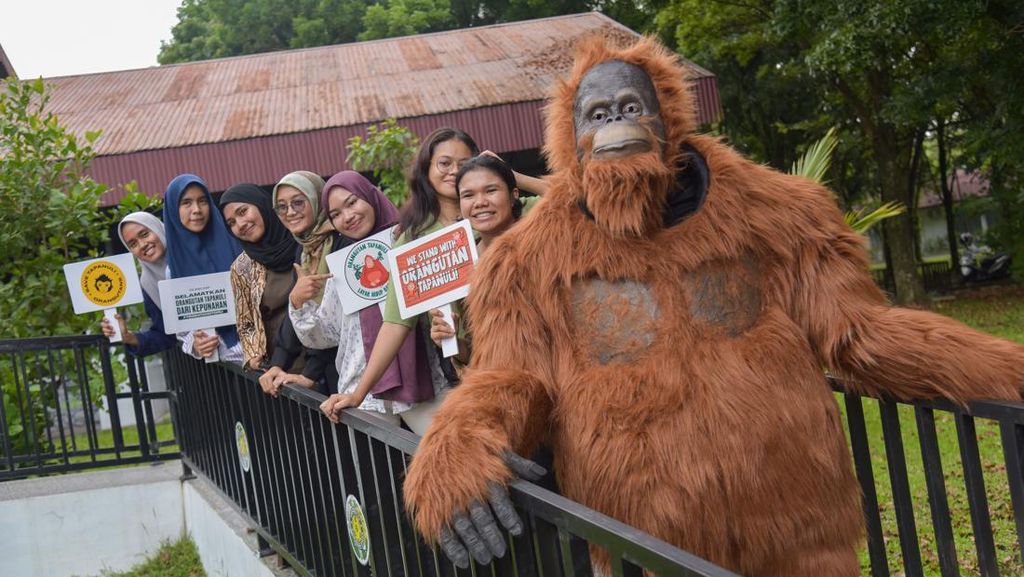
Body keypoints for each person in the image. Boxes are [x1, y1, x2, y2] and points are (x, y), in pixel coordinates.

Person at [290, 171, 445, 435]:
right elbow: (324, 335)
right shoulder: (341, 265)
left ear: (370, 196)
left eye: (352, 203)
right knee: (374, 475)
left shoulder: (410, 244)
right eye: (336, 214)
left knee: (450, 464)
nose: (347, 217)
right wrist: (298, 302)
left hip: (422, 382)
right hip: (362, 393)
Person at [426, 154, 541, 364]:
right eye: (468, 195)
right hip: (499, 383)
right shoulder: (461, 261)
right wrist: (450, 342)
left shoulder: (541, 239)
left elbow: (579, 200)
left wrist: (517, 177)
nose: (480, 202)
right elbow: (475, 354)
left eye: (491, 190)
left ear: (514, 194)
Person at [220, 183, 320, 390]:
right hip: (279, 370)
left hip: (320, 359)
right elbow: (246, 321)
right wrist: (254, 355)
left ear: (263, 206)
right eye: (231, 222)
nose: (240, 224)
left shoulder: (305, 242)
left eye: (243, 211)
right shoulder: (241, 267)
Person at [255, 170, 346, 396]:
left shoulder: (341, 243)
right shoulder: (305, 250)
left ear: (316, 199)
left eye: (298, 202)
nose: (290, 212)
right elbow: (298, 308)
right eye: (282, 207)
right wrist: (277, 364)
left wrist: (309, 374)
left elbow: (335, 321)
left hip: (353, 364)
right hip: (331, 367)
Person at [162, 174, 244, 364]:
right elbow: (183, 331)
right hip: (224, 372)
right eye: (186, 203)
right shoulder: (172, 271)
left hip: (265, 362)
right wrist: (196, 344)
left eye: (202, 201)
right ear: (174, 209)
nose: (197, 210)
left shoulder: (239, 244)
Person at [100, 212, 177, 356]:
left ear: (157, 228)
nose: (142, 245)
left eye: (144, 234)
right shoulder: (148, 284)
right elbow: (166, 335)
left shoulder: (194, 253)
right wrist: (128, 337)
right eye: (133, 244)